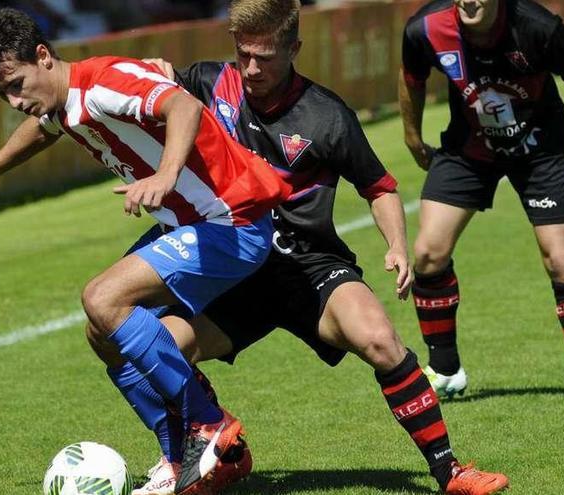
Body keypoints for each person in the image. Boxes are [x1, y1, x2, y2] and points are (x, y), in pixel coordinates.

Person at [93, 1, 509, 494]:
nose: (252, 68)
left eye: (265, 57)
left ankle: (451, 472)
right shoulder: (206, 83)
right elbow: (152, 91)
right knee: (155, 351)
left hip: (309, 264)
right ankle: (218, 452)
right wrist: (154, 73)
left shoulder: (326, 115)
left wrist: (396, 244)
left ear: (294, 48)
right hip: (235, 268)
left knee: (378, 339)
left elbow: (379, 187)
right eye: (244, 54)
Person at [0, 8, 293, 495]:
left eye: (16, 84)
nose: (14, 101)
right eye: (2, 94)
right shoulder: (64, 102)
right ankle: (181, 454)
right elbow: (45, 129)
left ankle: (211, 428)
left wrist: (163, 175)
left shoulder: (103, 83)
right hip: (194, 223)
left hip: (234, 222)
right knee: (102, 332)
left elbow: (182, 107)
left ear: (43, 57)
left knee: (102, 297)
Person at [398, 0, 564, 408]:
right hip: (468, 148)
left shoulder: (539, 28)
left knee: (560, 258)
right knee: (428, 253)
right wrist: (412, 138)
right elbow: (411, 77)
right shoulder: (425, 29)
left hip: (541, 150)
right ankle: (446, 369)